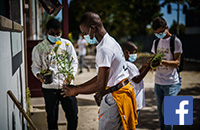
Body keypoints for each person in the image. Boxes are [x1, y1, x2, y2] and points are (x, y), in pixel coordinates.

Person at [61, 12, 138, 130]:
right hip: (121, 92)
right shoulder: (111, 41)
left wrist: (76, 91)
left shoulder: (104, 49)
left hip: (115, 98)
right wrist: (77, 87)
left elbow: (100, 84)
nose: (84, 36)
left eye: (85, 33)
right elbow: (100, 77)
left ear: (93, 28)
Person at [31, 19, 78, 130]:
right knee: (52, 118)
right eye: (52, 33)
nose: (55, 36)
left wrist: (70, 75)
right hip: (49, 88)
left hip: (67, 86)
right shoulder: (39, 48)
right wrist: (39, 75)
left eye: (58, 33)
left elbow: (74, 61)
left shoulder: (67, 45)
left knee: (73, 116)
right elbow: (35, 66)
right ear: (47, 32)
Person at [151, 17, 182, 130]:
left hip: (171, 83)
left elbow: (177, 63)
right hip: (158, 82)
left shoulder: (176, 41)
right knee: (161, 115)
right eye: (156, 33)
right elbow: (154, 60)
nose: (158, 34)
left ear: (166, 28)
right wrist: (151, 65)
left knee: (169, 116)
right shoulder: (156, 42)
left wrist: (162, 62)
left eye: (160, 32)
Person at [122, 41, 152, 124]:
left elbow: (136, 74)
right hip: (133, 100)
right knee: (131, 124)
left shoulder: (128, 64)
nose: (136, 54)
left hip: (134, 100)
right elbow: (137, 79)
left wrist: (144, 67)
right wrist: (148, 68)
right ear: (127, 52)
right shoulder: (128, 64)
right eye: (134, 52)